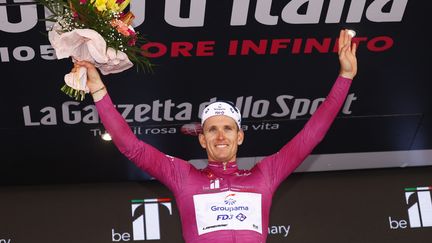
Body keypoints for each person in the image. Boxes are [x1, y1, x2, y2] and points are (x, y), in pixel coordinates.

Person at [74, 29, 357, 243]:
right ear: (202, 139)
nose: (220, 135)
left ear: (240, 136)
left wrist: (345, 76)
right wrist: (99, 90)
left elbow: (311, 135)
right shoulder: (183, 176)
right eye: (212, 129)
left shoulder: (266, 174)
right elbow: (132, 147)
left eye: (227, 128)